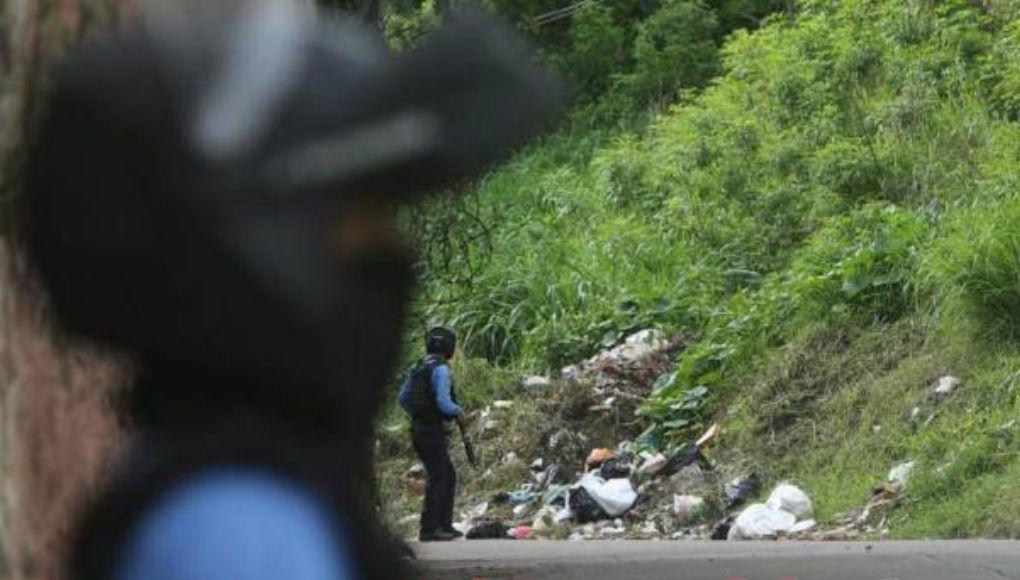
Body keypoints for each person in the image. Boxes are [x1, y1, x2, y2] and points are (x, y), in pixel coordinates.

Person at [22, 2, 560, 579]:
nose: (389, 257)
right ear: (250, 252)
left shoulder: (221, 494)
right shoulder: (237, 534)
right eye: (364, 224)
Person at [398, 327, 465, 541]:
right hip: (431, 430)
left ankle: (444, 524)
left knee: (447, 473)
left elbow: (403, 399)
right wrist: (459, 412)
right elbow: (445, 404)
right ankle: (429, 529)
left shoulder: (419, 367)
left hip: (419, 430)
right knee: (439, 476)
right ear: (449, 348)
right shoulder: (442, 370)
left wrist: (419, 413)